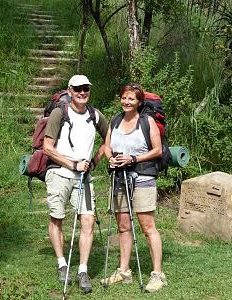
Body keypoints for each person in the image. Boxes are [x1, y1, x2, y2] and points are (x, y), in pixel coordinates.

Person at [43, 75, 108, 293]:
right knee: (57, 218)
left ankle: (82, 270)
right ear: (70, 91)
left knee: (88, 220)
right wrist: (72, 163)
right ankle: (62, 264)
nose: (82, 92)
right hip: (59, 174)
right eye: (78, 89)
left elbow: (110, 139)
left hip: (84, 177)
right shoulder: (59, 113)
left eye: (86, 89)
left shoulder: (95, 115)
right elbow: (47, 147)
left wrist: (94, 162)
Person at [102, 83, 167, 292]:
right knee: (123, 226)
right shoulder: (115, 120)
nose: (126, 102)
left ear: (139, 102)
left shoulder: (146, 121)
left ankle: (158, 275)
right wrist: (111, 159)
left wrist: (134, 158)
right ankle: (124, 271)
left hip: (143, 177)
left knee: (147, 227)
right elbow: (107, 146)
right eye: (124, 98)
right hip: (119, 177)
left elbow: (157, 150)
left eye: (131, 99)